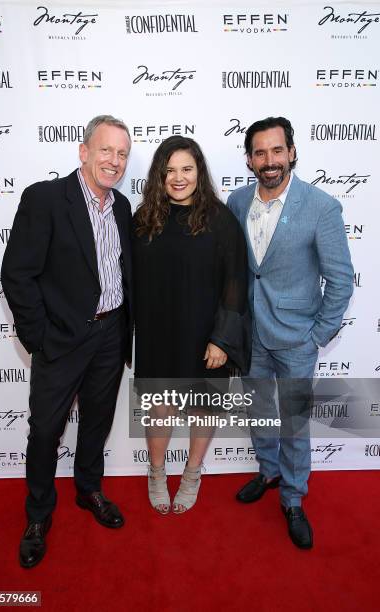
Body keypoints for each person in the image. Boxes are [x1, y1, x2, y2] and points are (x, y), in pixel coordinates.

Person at [1, 114, 133, 568]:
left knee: (97, 420)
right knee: (45, 430)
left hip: (111, 334)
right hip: (61, 339)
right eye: (105, 150)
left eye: (121, 154)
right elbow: (17, 274)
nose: (113, 161)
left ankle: (88, 490)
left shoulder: (121, 207)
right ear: (83, 151)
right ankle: (38, 514)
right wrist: (40, 336)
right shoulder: (45, 199)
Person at [227, 116, 353, 549]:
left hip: (298, 337)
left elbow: (340, 279)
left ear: (292, 152)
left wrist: (318, 334)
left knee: (294, 424)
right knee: (260, 412)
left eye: (277, 150)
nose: (269, 160)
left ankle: (294, 497)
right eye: (260, 152)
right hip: (252, 335)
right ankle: (267, 471)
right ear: (249, 159)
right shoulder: (237, 201)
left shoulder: (321, 206)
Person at [133, 136, 251, 515]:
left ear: (199, 172)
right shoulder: (144, 218)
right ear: (159, 175)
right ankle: (155, 472)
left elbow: (236, 279)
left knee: (202, 410)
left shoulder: (220, 219)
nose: (178, 178)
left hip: (206, 339)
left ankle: (191, 474)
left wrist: (222, 339)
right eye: (170, 170)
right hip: (157, 336)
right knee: (160, 410)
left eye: (187, 169)